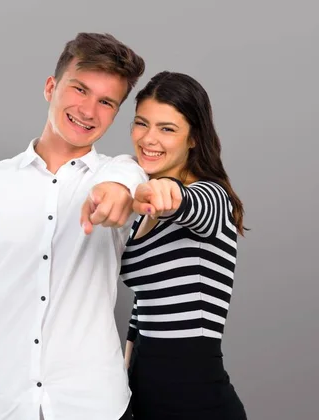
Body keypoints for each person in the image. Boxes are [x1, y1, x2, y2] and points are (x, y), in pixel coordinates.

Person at [0, 32, 147, 420]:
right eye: (79, 90)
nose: (88, 110)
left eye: (106, 102)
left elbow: (132, 177)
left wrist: (120, 189)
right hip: (6, 409)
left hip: (97, 408)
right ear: (51, 87)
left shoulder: (118, 176)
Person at [119, 71, 248, 419]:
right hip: (146, 396)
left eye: (167, 128)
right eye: (141, 123)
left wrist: (169, 195)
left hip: (197, 401)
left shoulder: (212, 198)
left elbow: (190, 205)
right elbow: (143, 303)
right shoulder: (144, 214)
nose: (149, 139)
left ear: (193, 138)